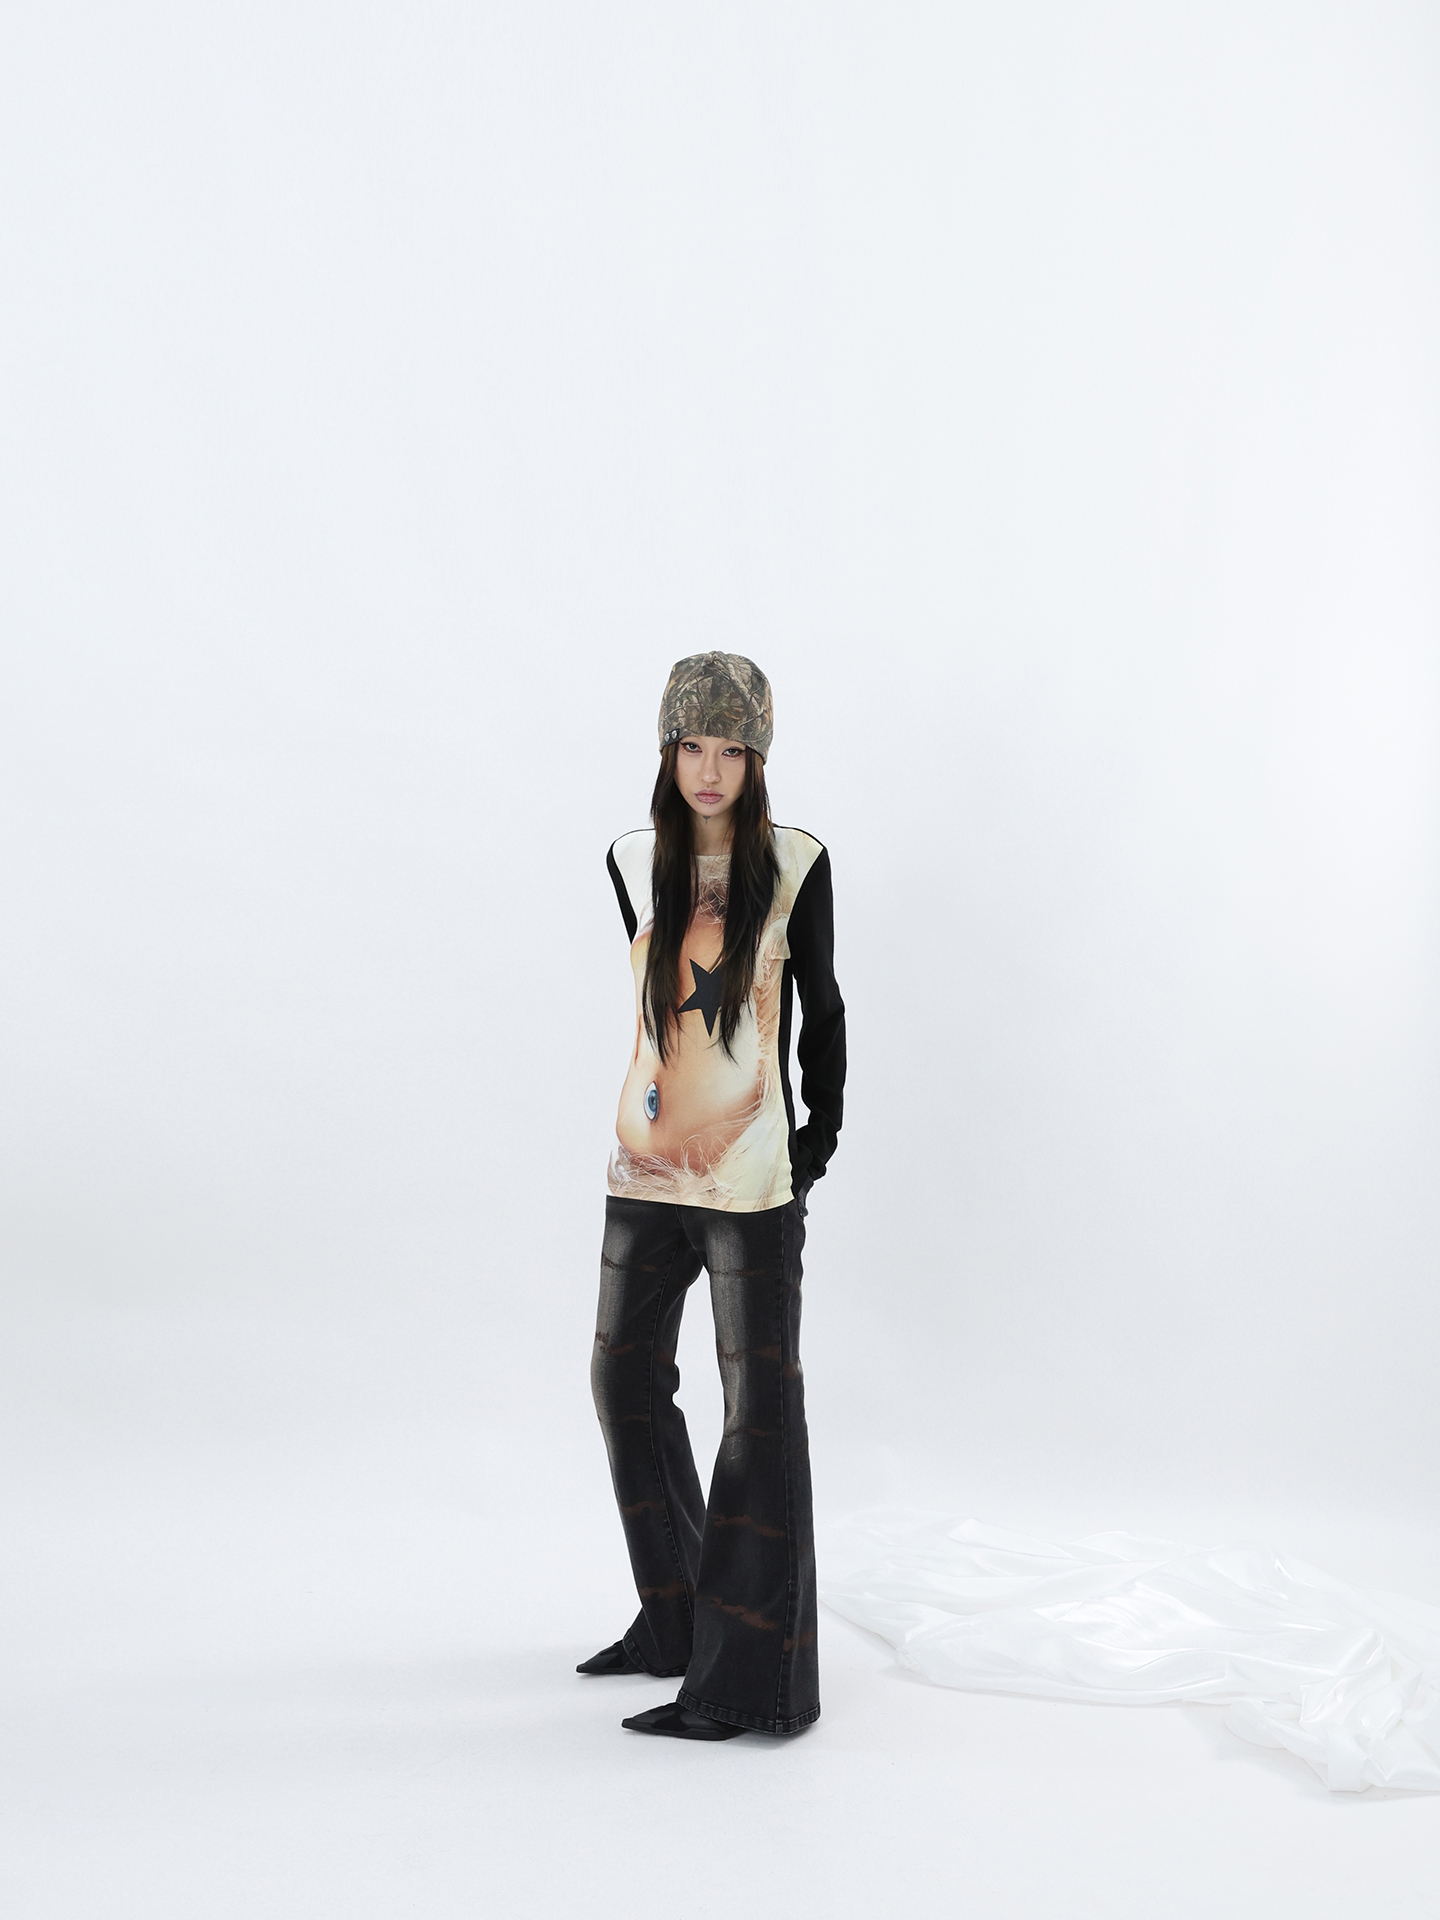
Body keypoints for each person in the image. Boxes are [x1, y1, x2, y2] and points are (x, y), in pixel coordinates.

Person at [581, 651, 846, 1741]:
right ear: (667, 750)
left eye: (732, 749)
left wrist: (817, 1138)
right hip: (645, 1172)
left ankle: (746, 1682)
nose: (709, 769)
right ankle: (677, 1620)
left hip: (748, 1181)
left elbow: (821, 1005)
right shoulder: (630, 857)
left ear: (757, 758)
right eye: (692, 745)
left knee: (758, 1415)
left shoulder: (794, 863)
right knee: (623, 1379)